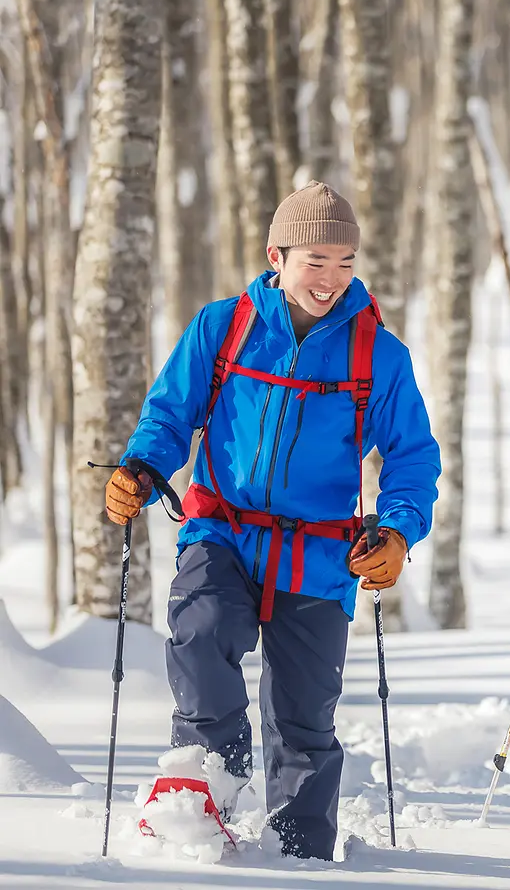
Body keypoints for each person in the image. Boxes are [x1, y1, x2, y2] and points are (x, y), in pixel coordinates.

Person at [104, 181, 440, 859]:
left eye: (346, 262)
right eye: (315, 260)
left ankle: (301, 853)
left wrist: (398, 529)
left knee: (303, 719)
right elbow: (171, 414)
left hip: (318, 553)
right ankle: (206, 789)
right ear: (276, 256)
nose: (331, 279)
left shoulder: (379, 355)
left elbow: (412, 457)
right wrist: (142, 466)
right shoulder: (223, 327)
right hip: (222, 530)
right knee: (199, 634)